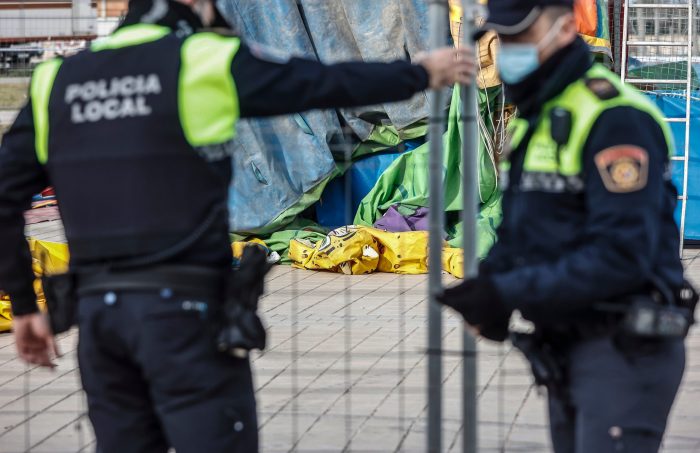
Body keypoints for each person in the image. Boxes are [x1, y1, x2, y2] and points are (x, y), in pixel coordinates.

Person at [0, 0, 475, 451]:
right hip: (186, 319)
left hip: (101, 326)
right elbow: (323, 83)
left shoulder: (56, 81)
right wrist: (421, 72)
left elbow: (5, 201)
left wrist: (24, 306)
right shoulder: (202, 61)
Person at [438, 0, 691, 452]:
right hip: (566, 344)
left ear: (564, 28)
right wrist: (490, 287)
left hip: (624, 349)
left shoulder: (614, 118)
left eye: (520, 35)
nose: (507, 50)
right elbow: (521, 230)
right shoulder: (537, 117)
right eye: (501, 38)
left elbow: (621, 256)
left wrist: (511, 291)